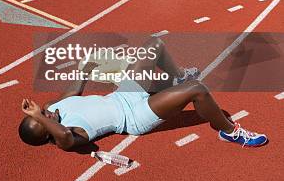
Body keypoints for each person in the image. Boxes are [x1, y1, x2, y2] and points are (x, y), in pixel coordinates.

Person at [19, 37, 268, 150]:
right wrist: (42, 119)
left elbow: (73, 91)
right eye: (43, 119)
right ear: (45, 134)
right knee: (197, 90)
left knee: (153, 45)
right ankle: (229, 132)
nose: (48, 113)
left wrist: (86, 67)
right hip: (134, 116)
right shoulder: (68, 136)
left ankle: (177, 76)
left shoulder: (55, 108)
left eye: (43, 111)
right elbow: (63, 136)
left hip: (124, 94)